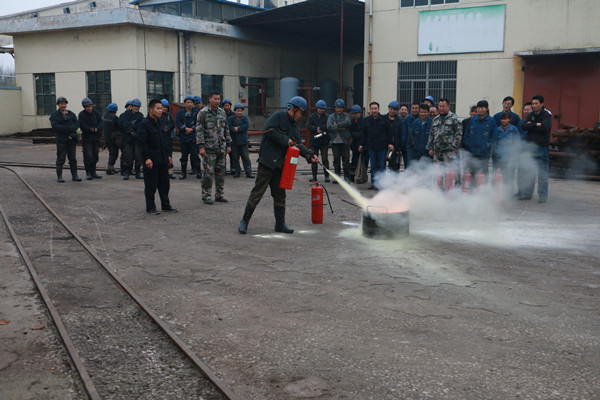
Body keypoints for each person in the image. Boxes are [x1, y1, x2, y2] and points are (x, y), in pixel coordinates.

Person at [238, 96, 319, 234]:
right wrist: (285, 140)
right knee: (258, 192)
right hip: (267, 162)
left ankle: (280, 224)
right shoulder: (278, 116)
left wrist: (309, 155)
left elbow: (298, 145)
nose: (300, 116)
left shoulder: (295, 126)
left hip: (281, 166)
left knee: (280, 195)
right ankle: (244, 221)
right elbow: (268, 130)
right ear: (293, 109)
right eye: (300, 112)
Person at [137, 99, 177, 215]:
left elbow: (165, 141)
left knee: (165, 184)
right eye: (158, 108)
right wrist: (147, 158)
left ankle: (166, 205)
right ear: (151, 110)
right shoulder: (144, 124)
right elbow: (142, 143)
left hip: (163, 158)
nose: (161, 111)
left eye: (161, 108)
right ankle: (150, 207)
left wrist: (168, 156)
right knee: (151, 185)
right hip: (152, 160)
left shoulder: (161, 122)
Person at [196, 90, 232, 204]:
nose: (217, 101)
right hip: (209, 148)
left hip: (221, 148)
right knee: (208, 173)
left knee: (220, 173)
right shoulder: (203, 113)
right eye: (215, 99)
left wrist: (228, 144)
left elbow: (226, 129)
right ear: (210, 99)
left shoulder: (222, 112)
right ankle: (206, 195)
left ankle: (219, 194)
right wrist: (201, 146)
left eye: (218, 99)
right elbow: (199, 130)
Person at [520, 95, 552, 203]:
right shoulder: (531, 114)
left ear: (542, 104)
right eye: (533, 104)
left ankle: (542, 196)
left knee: (542, 173)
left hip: (542, 148)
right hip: (530, 148)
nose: (534, 106)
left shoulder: (546, 115)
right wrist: (536, 125)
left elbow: (545, 127)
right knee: (530, 171)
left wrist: (531, 125)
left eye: (536, 103)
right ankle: (527, 194)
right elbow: (524, 126)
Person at [359, 101, 393, 190]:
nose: (374, 110)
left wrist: (390, 143)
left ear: (379, 109)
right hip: (371, 147)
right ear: (370, 110)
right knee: (373, 166)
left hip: (382, 147)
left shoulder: (384, 119)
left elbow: (389, 132)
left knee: (382, 166)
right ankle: (374, 183)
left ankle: (381, 184)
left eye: (375, 108)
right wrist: (361, 145)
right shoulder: (367, 120)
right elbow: (364, 134)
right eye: (372, 109)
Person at [461, 100, 496, 181]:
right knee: (471, 173)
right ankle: (472, 188)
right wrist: (467, 144)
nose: (480, 110)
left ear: (486, 109)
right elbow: (467, 134)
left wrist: (488, 145)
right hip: (472, 152)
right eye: (479, 108)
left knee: (483, 174)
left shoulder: (491, 121)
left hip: (484, 153)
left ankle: (483, 188)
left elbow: (494, 136)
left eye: (482, 108)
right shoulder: (473, 120)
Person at [50, 96, 82, 182]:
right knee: (61, 158)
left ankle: (75, 176)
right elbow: (56, 126)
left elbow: (76, 124)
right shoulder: (55, 115)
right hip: (62, 140)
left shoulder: (71, 114)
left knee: (72, 158)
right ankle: (59, 176)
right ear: (58, 105)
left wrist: (71, 130)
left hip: (71, 139)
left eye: (64, 104)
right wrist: (68, 129)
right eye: (61, 104)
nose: (63, 105)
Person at [427, 98, 462, 166]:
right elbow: (431, 134)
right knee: (438, 171)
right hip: (437, 151)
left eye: (443, 106)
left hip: (449, 151)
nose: (441, 108)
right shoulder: (435, 119)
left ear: (448, 106)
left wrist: (454, 146)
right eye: (440, 106)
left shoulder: (454, 118)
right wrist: (430, 148)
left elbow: (458, 133)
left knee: (449, 170)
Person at [494, 112, 521, 195]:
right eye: (502, 119)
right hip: (500, 158)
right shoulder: (498, 130)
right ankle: (500, 194)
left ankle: (509, 194)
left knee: (509, 176)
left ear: (509, 120)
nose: (504, 121)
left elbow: (518, 142)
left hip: (510, 158)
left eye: (506, 119)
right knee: (499, 176)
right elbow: (495, 144)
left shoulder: (514, 129)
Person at [176, 95, 201, 180]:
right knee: (184, 156)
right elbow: (178, 122)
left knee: (195, 155)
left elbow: (199, 123)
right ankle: (183, 173)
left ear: (193, 104)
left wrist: (192, 129)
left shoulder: (197, 112)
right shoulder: (180, 112)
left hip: (193, 137)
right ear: (185, 103)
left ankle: (198, 172)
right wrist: (185, 128)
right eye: (187, 102)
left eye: (191, 102)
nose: (189, 104)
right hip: (184, 137)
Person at [327, 99, 352, 181]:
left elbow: (348, 122)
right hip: (335, 142)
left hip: (344, 141)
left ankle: (346, 177)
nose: (338, 109)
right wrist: (340, 127)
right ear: (335, 108)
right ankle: (337, 177)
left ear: (343, 108)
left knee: (346, 160)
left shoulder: (346, 116)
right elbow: (329, 126)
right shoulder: (331, 116)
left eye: (340, 108)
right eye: (337, 107)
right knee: (336, 160)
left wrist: (336, 125)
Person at [119, 98, 144, 180]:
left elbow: (141, 126)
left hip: (137, 140)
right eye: (135, 106)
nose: (136, 108)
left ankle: (138, 172)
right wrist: (131, 130)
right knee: (128, 157)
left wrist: (133, 128)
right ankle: (126, 172)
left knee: (138, 157)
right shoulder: (125, 115)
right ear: (131, 106)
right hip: (128, 140)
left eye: (138, 106)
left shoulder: (140, 115)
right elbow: (124, 125)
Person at [78, 98, 103, 180]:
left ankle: (94, 172)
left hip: (95, 138)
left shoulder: (96, 113)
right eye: (87, 107)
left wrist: (97, 128)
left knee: (95, 155)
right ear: (84, 107)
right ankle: (88, 172)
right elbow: (82, 125)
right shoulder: (81, 114)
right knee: (88, 156)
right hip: (87, 138)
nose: (89, 108)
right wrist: (90, 129)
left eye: (90, 106)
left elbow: (101, 122)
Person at [306, 99, 330, 182]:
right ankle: (314, 176)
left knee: (325, 159)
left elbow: (328, 126)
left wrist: (322, 128)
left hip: (324, 141)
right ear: (317, 108)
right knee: (314, 158)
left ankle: (326, 176)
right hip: (314, 140)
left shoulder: (327, 117)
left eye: (323, 109)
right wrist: (316, 129)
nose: (321, 110)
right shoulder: (312, 117)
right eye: (320, 108)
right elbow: (308, 126)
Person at [228, 103, 254, 178]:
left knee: (246, 158)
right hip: (234, 142)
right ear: (235, 111)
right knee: (235, 158)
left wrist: (238, 128)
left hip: (243, 142)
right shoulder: (231, 119)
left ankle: (248, 172)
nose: (240, 112)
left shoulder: (245, 118)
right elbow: (229, 127)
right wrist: (234, 129)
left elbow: (246, 126)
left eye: (241, 111)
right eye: (238, 111)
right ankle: (237, 172)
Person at [515, 102, 533, 197]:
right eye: (525, 109)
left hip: (531, 151)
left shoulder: (535, 122)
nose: (526, 111)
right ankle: (520, 191)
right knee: (521, 171)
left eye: (528, 110)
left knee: (529, 172)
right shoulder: (520, 122)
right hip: (521, 151)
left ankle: (528, 193)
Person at [348, 104, 366, 182]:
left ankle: (362, 176)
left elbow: (364, 133)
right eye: (354, 113)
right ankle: (352, 176)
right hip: (354, 145)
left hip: (362, 144)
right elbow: (349, 131)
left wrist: (355, 135)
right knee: (354, 160)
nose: (355, 115)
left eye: (357, 113)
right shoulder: (352, 121)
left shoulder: (364, 121)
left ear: (360, 113)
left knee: (363, 162)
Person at [160, 99, 177, 179]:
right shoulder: (157, 115)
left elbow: (172, 124)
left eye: (166, 107)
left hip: (168, 138)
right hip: (159, 138)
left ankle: (170, 172)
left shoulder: (169, 115)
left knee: (169, 155)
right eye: (163, 107)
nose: (164, 109)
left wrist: (167, 128)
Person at [103, 103, 121, 175]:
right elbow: (119, 126)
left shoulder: (105, 116)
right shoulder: (115, 118)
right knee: (114, 154)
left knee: (111, 153)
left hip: (106, 138)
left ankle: (112, 168)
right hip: (113, 139)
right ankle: (109, 169)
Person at [384, 100, 402, 172]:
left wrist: (399, 148)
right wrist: (388, 144)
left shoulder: (399, 120)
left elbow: (400, 134)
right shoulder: (383, 119)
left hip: (395, 147)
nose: (392, 111)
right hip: (384, 146)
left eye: (394, 109)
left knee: (394, 167)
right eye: (391, 109)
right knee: (381, 165)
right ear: (388, 108)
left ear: (397, 111)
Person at [403, 102, 421, 168]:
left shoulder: (422, 118)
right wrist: (403, 146)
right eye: (413, 108)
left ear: (419, 109)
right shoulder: (407, 119)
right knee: (409, 166)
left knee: (419, 165)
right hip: (410, 147)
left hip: (420, 147)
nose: (414, 110)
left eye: (416, 108)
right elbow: (404, 134)